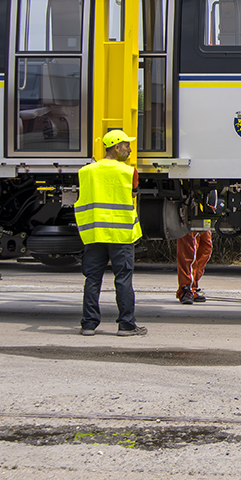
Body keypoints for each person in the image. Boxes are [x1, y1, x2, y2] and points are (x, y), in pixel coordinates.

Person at [76, 129, 145, 336]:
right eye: (126, 145)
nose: (129, 150)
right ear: (116, 147)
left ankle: (88, 325)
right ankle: (126, 325)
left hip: (95, 234)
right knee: (123, 279)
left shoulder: (86, 171)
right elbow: (133, 193)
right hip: (120, 236)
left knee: (92, 279)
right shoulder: (129, 172)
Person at [176, 222, 213, 305]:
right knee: (188, 252)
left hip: (203, 216)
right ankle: (185, 289)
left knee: (206, 248)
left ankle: (193, 287)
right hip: (188, 218)